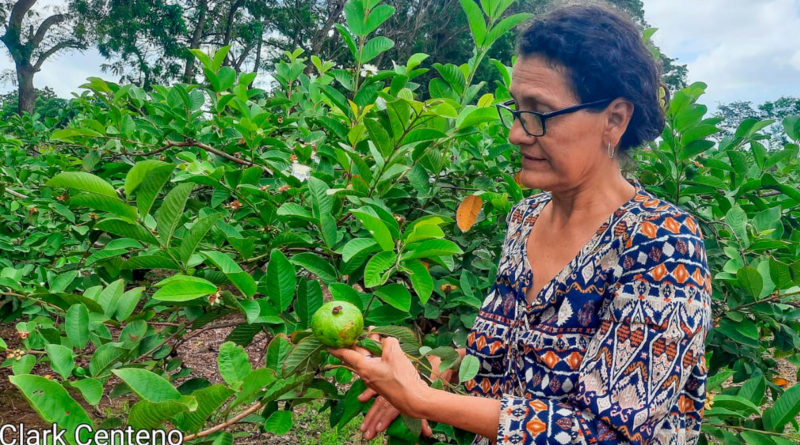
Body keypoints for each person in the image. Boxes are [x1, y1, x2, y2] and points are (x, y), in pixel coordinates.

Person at [329, 4, 713, 444]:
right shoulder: (525, 219)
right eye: (516, 108)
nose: (516, 132)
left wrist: (422, 399)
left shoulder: (663, 241)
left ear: (614, 119)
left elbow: (613, 431)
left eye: (540, 112)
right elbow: (517, 354)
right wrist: (444, 365)